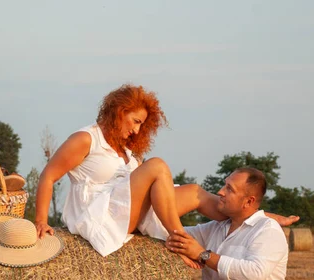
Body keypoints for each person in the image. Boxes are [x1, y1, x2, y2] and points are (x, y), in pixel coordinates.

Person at [34, 84, 297, 261]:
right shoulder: (85, 139)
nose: (137, 131)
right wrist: (41, 221)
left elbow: (148, 190)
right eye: (136, 121)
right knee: (157, 165)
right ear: (119, 112)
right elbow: (48, 177)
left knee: (195, 192)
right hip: (100, 216)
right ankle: (179, 238)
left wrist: (265, 217)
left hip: (128, 211)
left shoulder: (127, 151)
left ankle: (257, 216)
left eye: (142, 125)